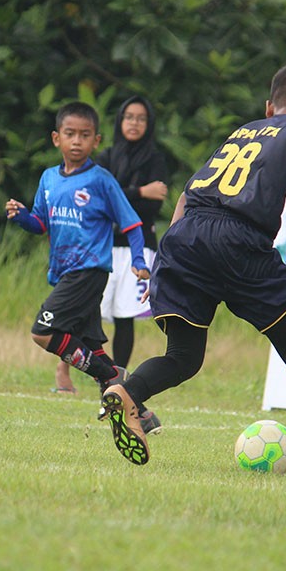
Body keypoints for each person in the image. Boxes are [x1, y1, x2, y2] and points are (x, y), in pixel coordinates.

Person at [97, 64, 286, 479]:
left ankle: (128, 391)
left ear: (268, 105)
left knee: (183, 357)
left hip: (186, 236)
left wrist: (170, 259)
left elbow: (185, 194)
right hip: (236, 239)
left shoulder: (244, 131)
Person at [6, 101, 161, 434]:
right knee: (92, 347)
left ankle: (107, 377)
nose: (76, 141)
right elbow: (40, 223)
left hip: (89, 271)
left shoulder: (102, 181)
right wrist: (22, 217)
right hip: (65, 271)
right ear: (56, 138)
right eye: (70, 134)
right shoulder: (48, 178)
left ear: (96, 141)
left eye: (85, 135)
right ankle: (141, 413)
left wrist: (137, 261)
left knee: (43, 332)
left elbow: (132, 223)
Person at [53, 96, 168, 393]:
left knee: (124, 316)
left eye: (141, 118)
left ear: (149, 123)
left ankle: (117, 382)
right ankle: (63, 371)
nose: (134, 123)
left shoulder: (156, 159)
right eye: (129, 116)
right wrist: (141, 191)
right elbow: (100, 199)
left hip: (137, 245)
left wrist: (121, 199)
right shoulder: (104, 157)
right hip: (100, 246)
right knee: (84, 312)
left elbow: (150, 211)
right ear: (120, 121)